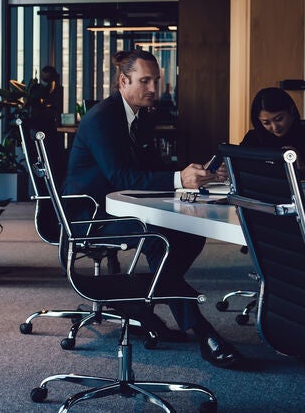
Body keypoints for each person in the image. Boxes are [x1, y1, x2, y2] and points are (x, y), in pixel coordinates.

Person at [62, 49, 242, 368]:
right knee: (159, 237)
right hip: (90, 217)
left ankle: (140, 306)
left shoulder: (141, 117)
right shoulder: (102, 118)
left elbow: (152, 168)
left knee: (189, 234)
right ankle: (202, 330)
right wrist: (178, 179)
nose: (153, 88)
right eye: (145, 81)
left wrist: (198, 174)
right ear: (123, 81)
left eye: (156, 80)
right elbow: (121, 176)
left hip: (123, 208)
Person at [239, 86, 305, 178]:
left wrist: (301, 166)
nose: (275, 127)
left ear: (291, 111)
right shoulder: (252, 138)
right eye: (266, 123)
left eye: (279, 119)